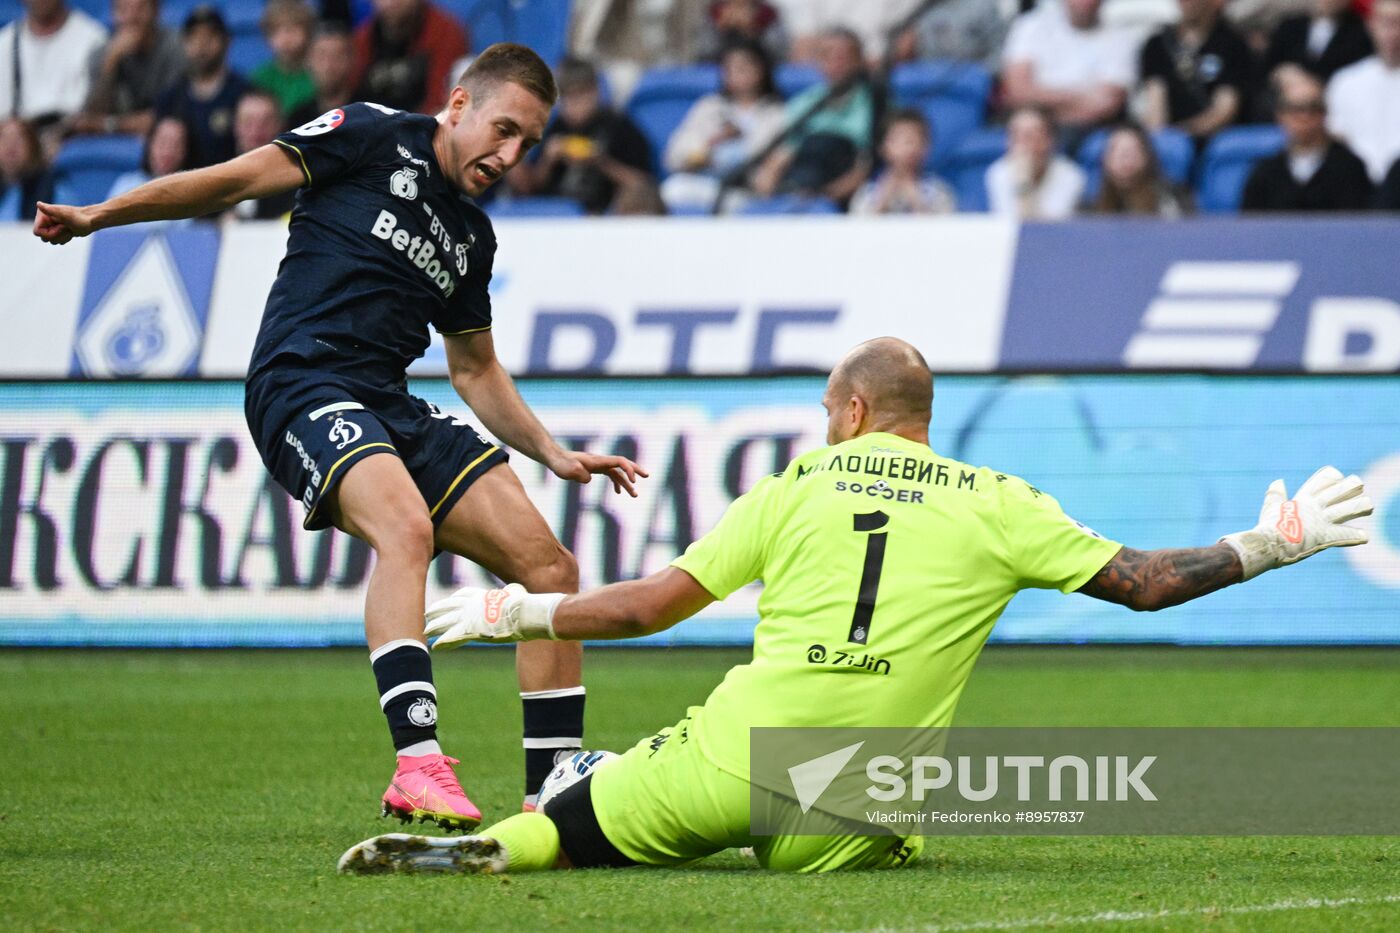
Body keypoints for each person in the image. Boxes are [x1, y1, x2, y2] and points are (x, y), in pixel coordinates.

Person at [335, 336, 1374, 876]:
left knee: (559, 822)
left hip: (728, 760)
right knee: (890, 807)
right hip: (852, 795)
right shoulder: (997, 500)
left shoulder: (796, 483)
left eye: (830, 410)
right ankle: (885, 830)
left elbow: (648, 608)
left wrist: (515, 615)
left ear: (855, 410)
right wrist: (1267, 545)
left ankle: (493, 847)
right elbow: (1146, 583)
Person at [33, 43, 647, 827]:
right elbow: (234, 179)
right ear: (459, 104)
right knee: (405, 527)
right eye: (504, 130)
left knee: (549, 567)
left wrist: (554, 453)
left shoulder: (471, 235)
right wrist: (99, 216)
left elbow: (475, 369)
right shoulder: (370, 133)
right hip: (301, 380)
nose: (510, 156)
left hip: (387, 400)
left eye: (527, 143)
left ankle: (550, 790)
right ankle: (417, 762)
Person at [659, 40, 786, 213]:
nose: (735, 74)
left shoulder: (777, 113)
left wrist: (740, 143)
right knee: (672, 189)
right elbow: (673, 157)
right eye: (729, 68)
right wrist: (711, 146)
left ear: (761, 70)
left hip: (746, 192)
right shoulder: (709, 107)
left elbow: (772, 162)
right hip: (705, 183)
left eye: (743, 67)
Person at [751, 28, 876, 204]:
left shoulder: (875, 102)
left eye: (844, 56)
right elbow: (785, 153)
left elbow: (863, 168)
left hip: (841, 193)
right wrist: (768, 188)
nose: (836, 62)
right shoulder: (804, 103)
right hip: (799, 184)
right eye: (828, 56)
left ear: (859, 61)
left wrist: (824, 198)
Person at [516, 58, 655, 215]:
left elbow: (645, 185)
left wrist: (600, 161)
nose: (573, 106)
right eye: (566, 98)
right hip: (554, 214)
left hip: (603, 213)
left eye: (579, 96)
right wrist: (548, 159)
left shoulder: (620, 127)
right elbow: (530, 188)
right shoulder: (557, 127)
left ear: (595, 92)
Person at [999, 0, 1136, 138]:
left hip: (1086, 128)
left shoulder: (1120, 38)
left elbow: (1107, 104)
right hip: (1030, 121)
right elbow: (1018, 91)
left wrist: (1043, 100)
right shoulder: (1030, 26)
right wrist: (1081, 97)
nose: (1085, 3)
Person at [1242, 69, 1372, 211]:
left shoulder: (1350, 168)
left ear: (1325, 113)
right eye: (1295, 109)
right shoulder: (1265, 172)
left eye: (1313, 108)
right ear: (1280, 115)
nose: (1304, 117)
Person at [1140, 0, 1256, 143]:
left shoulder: (1233, 44)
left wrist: (1184, 133)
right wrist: (1162, 138)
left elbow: (1224, 110)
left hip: (1220, 137)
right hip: (1173, 139)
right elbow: (1156, 103)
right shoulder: (1159, 44)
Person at [74, 0, 185, 138]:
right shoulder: (102, 54)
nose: (131, 17)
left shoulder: (176, 47)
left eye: (140, 9)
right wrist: (110, 64)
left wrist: (107, 124)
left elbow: (168, 116)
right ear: (113, 14)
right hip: (113, 141)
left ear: (156, 12)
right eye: (123, 10)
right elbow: (90, 118)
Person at [155, 6, 248, 168]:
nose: (201, 45)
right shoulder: (171, 97)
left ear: (227, 42)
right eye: (194, 37)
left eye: (210, 36)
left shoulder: (243, 95)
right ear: (184, 43)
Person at [0, 0, 108, 130]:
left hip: (70, 134)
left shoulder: (93, 40)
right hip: (15, 136)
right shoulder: (4, 43)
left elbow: (89, 115)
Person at [1325, 0, 1400, 184]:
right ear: (1371, 25)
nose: (1393, 33)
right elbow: (1336, 136)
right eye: (1386, 23)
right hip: (1355, 185)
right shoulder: (1344, 82)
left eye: (1398, 23)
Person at [353, 0, 468, 114]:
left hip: (424, 121)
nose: (392, 3)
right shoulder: (362, 39)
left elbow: (441, 103)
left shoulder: (444, 33)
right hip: (371, 121)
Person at [849, 108, 956, 215]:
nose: (908, 148)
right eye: (899, 140)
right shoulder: (867, 193)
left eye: (913, 140)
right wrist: (881, 205)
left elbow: (946, 223)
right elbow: (858, 223)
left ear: (926, 147)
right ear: (882, 147)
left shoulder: (938, 191)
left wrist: (917, 203)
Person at [986, 106, 1085, 220]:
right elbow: (1010, 224)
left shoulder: (1070, 175)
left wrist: (1024, 184)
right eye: (1016, 135)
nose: (1022, 145)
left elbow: (1047, 227)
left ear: (1050, 140)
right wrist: (1022, 178)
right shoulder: (998, 172)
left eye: (1030, 136)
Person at [1086, 122, 1190, 216]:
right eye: (1116, 150)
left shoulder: (1169, 197)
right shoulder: (1091, 202)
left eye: (1132, 150)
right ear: (1104, 158)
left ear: (1147, 156)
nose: (1124, 158)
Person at [1263, 0, 1373, 83]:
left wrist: (1312, 84)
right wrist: (1281, 74)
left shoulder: (1360, 35)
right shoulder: (1290, 27)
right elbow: (1268, 68)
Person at [228, 90, 298, 220]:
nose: (256, 130)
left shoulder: (296, 179)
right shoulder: (218, 173)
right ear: (235, 126)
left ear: (281, 125)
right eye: (248, 122)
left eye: (266, 122)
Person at [251, 0, 318, 118]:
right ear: (267, 36)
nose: (286, 38)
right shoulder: (260, 78)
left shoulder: (318, 75)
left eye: (293, 29)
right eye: (277, 31)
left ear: (309, 32)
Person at [287, 23, 357, 129]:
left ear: (352, 60)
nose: (329, 66)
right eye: (321, 56)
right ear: (308, 61)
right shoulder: (298, 119)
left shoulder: (371, 113)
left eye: (338, 56)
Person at [695, 0, 788, 63]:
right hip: (718, 69)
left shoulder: (767, 13)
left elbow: (777, 53)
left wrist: (752, 29)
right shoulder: (714, 12)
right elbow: (704, 52)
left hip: (761, 70)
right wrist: (721, 28)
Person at [0, 117, 53, 221]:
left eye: (19, 139)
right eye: (4, 138)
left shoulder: (52, 187)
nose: (11, 145)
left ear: (32, 146)